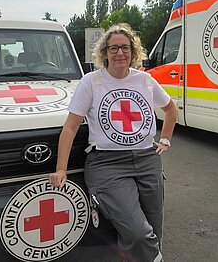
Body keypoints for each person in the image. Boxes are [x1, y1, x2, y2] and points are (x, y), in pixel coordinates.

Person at [49, 23, 177, 262]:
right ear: (105, 52)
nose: (120, 53)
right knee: (138, 232)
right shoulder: (92, 81)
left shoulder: (145, 81)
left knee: (154, 226)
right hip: (107, 164)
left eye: (125, 48)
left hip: (147, 159)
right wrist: (60, 169)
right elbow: (70, 127)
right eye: (114, 48)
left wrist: (166, 140)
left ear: (133, 51)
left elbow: (171, 109)